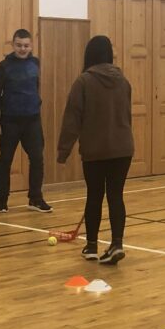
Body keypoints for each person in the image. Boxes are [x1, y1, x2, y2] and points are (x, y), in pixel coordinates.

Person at [57, 36, 134, 265]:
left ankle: (91, 246)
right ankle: (117, 244)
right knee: (116, 196)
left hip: (95, 150)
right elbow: (126, 116)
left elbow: (72, 119)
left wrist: (63, 151)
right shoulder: (123, 82)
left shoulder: (83, 82)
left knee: (94, 195)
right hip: (123, 149)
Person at [0, 29, 52, 213]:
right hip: (9, 121)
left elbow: (35, 88)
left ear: (31, 46)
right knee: (5, 159)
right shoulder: (4, 66)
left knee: (37, 158)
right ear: (13, 45)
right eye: (19, 45)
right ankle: (2, 200)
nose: (22, 49)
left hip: (32, 120)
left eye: (26, 45)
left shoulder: (35, 63)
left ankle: (35, 199)